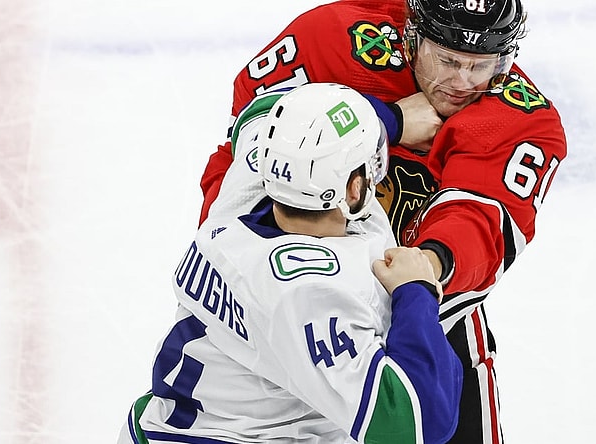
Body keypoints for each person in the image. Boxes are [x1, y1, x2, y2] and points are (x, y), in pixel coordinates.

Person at [199, 1, 568, 442]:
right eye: (448, 60)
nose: (463, 82)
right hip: (286, 290)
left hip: (425, 307)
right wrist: (383, 119)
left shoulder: (521, 117)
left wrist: (426, 269)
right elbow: (258, 131)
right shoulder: (331, 38)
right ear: (412, 34)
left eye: (481, 65)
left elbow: (480, 220)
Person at [118, 83, 463, 444]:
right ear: (354, 187)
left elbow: (263, 109)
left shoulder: (242, 195)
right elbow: (417, 425)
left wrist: (393, 120)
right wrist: (416, 291)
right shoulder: (314, 292)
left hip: (167, 426)